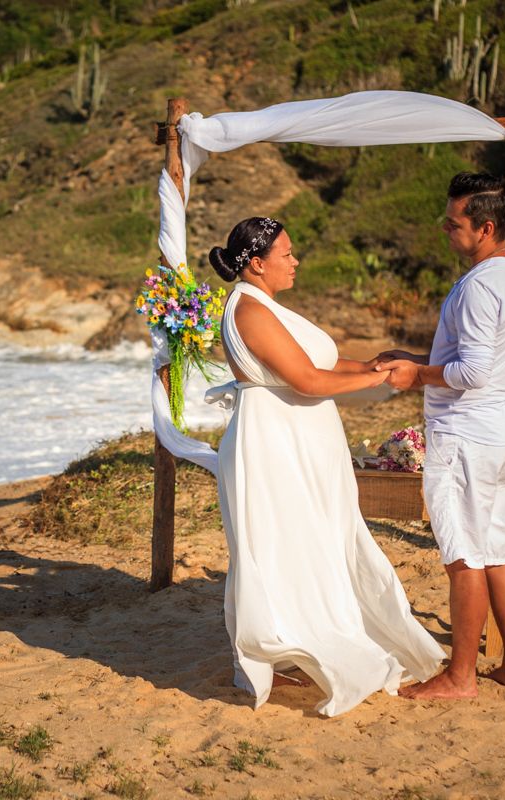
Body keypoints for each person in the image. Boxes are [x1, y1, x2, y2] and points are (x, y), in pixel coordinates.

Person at [206, 216, 445, 717]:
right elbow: (307, 381)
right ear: (256, 264)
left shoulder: (265, 306)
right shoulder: (249, 310)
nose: (295, 261)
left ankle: (293, 646)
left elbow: (326, 365)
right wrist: (381, 382)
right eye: (286, 253)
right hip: (275, 442)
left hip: (301, 441)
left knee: (315, 539)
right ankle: (292, 645)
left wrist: (380, 369)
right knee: (286, 544)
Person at [376, 171, 505, 698]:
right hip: (501, 432)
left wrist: (417, 375)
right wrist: (416, 359)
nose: (445, 230)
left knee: (464, 557)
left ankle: (461, 676)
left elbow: (472, 373)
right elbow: (473, 361)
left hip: (466, 438)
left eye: (454, 223)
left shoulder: (479, 285)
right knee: (497, 553)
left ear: (484, 227)